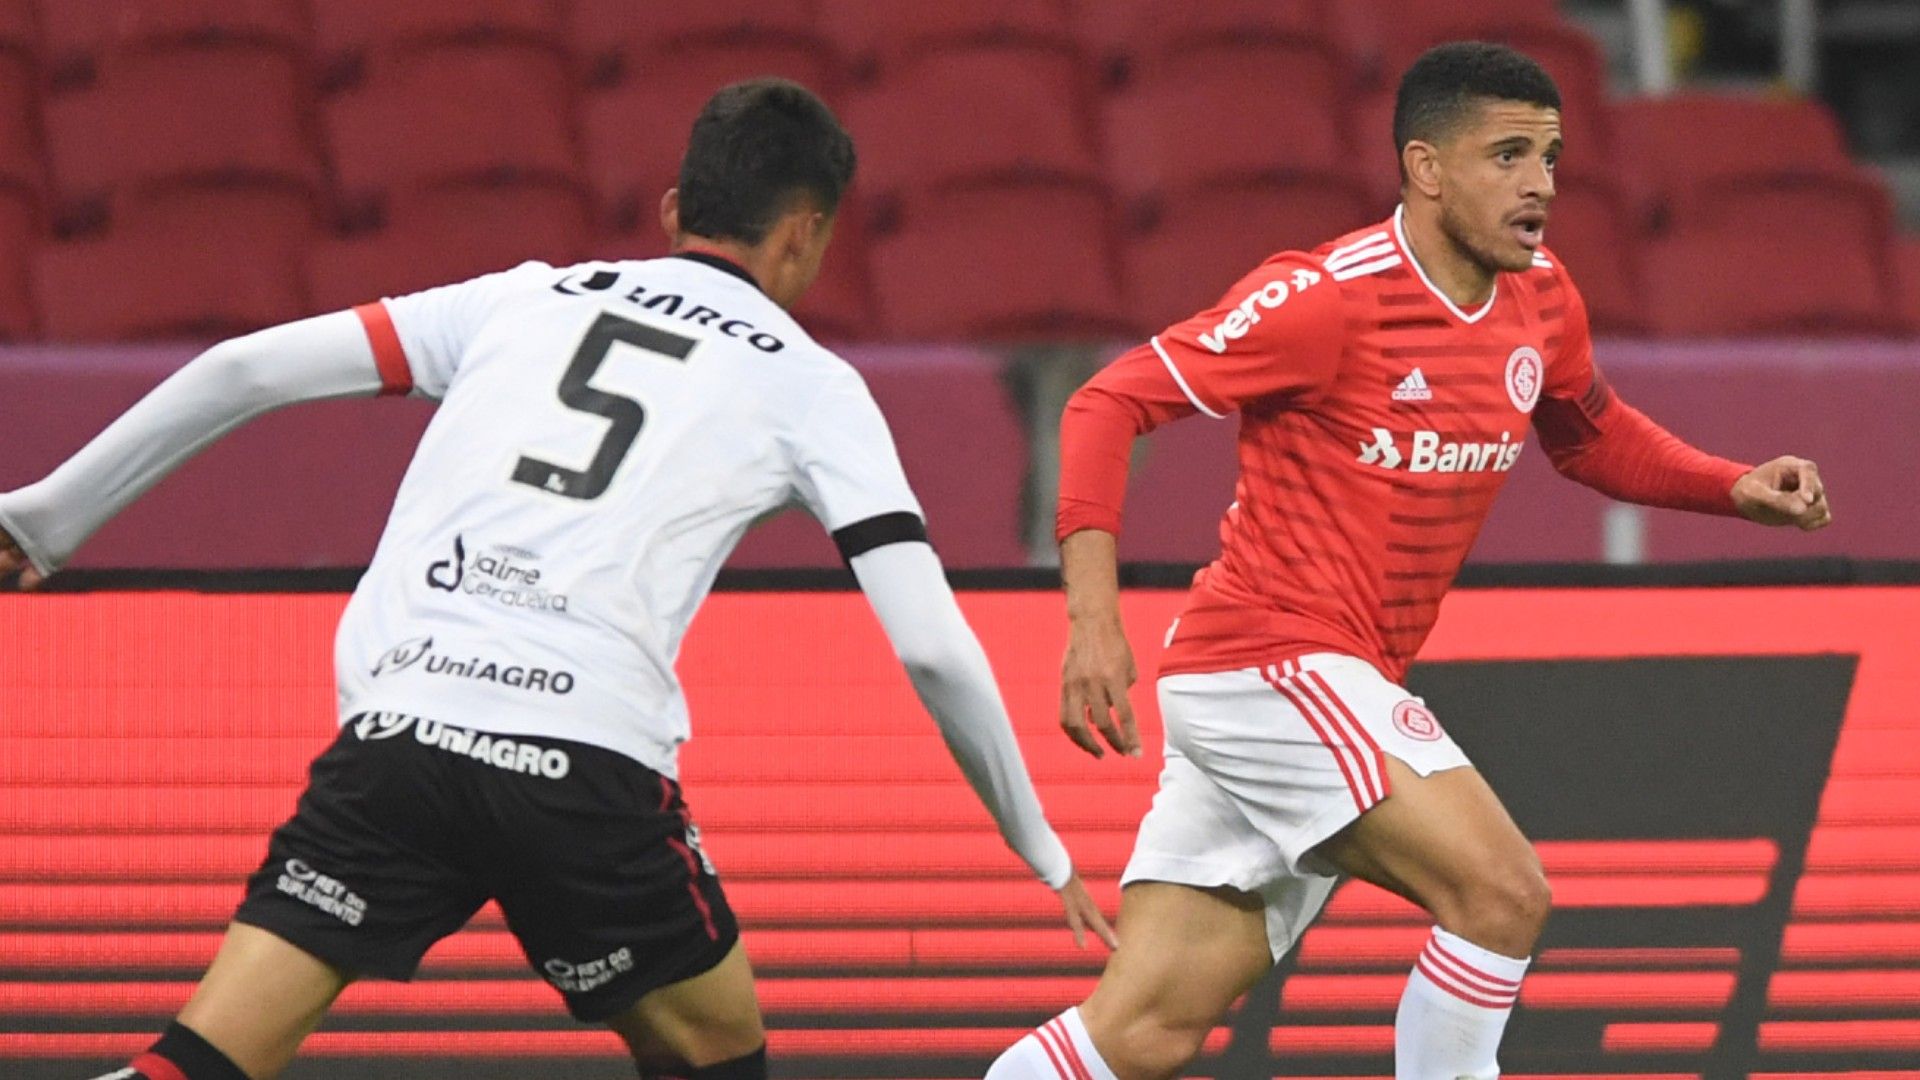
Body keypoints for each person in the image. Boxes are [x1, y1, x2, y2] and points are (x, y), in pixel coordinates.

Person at [0, 78, 1113, 1080]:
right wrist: (1041, 847)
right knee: (715, 1050)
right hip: (582, 764)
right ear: (806, 233)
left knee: (205, 1057)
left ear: (673, 211)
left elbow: (243, 367)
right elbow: (929, 646)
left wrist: (43, 521)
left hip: (400, 736)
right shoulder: (814, 386)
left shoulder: (520, 298)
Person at [985, 42, 1831, 1080]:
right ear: (1426, 168)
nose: (1540, 184)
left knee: (1141, 1032)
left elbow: (1591, 435)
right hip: (1270, 664)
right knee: (1502, 895)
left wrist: (1730, 484)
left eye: (1552, 157)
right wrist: (1091, 622)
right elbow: (1107, 401)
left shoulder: (1542, 298)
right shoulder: (1325, 298)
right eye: (1508, 155)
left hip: (1315, 683)